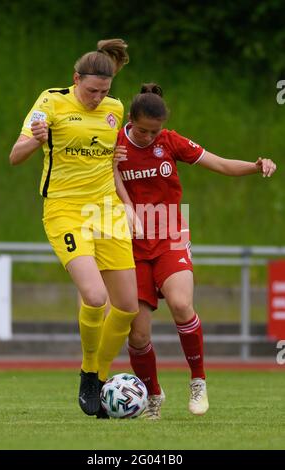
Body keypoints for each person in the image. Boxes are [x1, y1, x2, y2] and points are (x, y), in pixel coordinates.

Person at [114, 83, 277, 419]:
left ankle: (198, 380)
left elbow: (217, 163)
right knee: (138, 332)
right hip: (129, 242)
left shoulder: (170, 141)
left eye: (154, 131)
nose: (148, 137)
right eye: (142, 130)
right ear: (130, 120)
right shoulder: (113, 143)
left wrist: (254, 165)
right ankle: (153, 395)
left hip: (171, 233)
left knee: (181, 303)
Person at [9, 39, 139, 419]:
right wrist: (35, 141)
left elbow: (111, 166)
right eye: (92, 90)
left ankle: (98, 376)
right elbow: (14, 157)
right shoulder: (50, 102)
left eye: (106, 91)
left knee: (128, 307)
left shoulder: (115, 109)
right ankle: (87, 373)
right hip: (65, 211)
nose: (99, 98)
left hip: (107, 212)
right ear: (75, 79)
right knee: (96, 296)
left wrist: (129, 206)